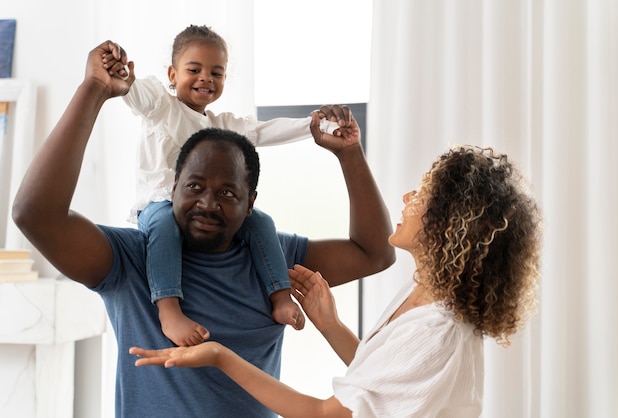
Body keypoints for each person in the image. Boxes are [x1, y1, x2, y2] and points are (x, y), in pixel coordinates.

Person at [11, 40, 395, 418]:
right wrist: (93, 90)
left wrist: (349, 155)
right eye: (194, 187)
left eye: (227, 192)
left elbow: (374, 253)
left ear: (250, 203)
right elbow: (34, 213)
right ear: (173, 188)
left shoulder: (272, 257)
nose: (208, 203)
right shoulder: (131, 260)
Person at [130, 145, 543, 417]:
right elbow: (383, 390)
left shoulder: (439, 327)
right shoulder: (423, 296)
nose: (406, 200)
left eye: (421, 196)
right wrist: (331, 325)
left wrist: (220, 356)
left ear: (450, 224)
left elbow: (326, 415)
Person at [102, 24, 343, 346]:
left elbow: (266, 131)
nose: (206, 78)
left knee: (261, 221)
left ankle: (280, 296)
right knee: (163, 225)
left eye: (217, 73)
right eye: (194, 69)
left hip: (208, 207)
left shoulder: (221, 124)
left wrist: (315, 125)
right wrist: (123, 75)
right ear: (172, 75)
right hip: (160, 202)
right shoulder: (160, 104)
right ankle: (169, 308)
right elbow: (135, 92)